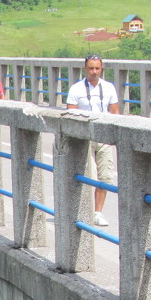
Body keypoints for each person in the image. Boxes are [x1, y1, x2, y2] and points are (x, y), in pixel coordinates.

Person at [66, 54, 121, 227]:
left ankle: (97, 212)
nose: (94, 72)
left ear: (101, 69)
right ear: (85, 69)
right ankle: (84, 211)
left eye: (97, 68)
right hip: (84, 138)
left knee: (105, 177)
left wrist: (115, 135)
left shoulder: (109, 87)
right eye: (91, 68)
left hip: (103, 138)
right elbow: (70, 114)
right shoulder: (76, 89)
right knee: (89, 176)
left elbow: (115, 112)